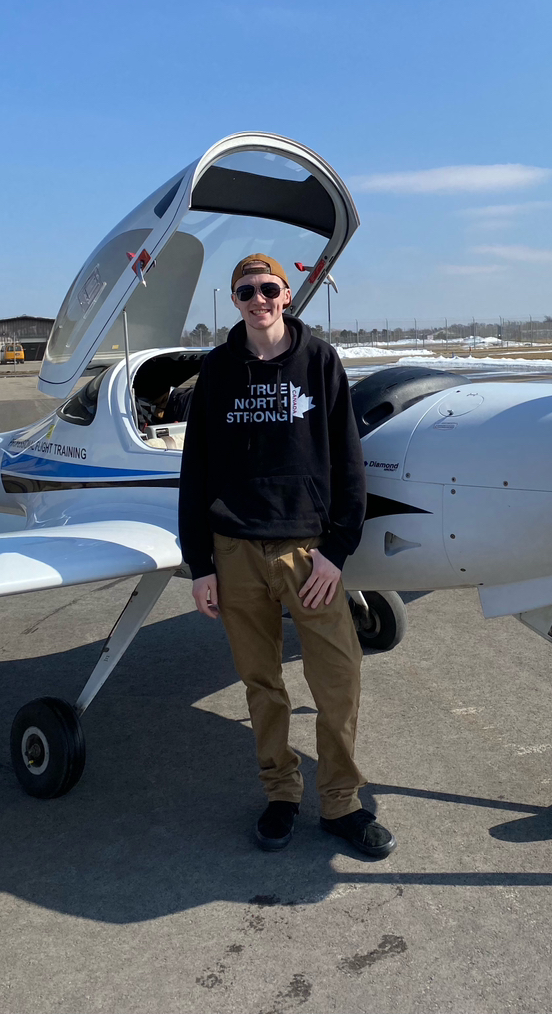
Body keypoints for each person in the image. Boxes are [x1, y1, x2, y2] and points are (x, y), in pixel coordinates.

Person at [178, 253, 395, 858]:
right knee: (261, 683)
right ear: (235, 300)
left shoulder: (320, 361)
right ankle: (280, 794)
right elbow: (196, 469)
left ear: (287, 294)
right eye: (246, 291)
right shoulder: (217, 369)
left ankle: (341, 803)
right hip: (236, 551)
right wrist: (201, 565)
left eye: (269, 289)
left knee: (338, 679)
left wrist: (336, 553)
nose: (259, 300)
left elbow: (348, 462)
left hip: (308, 554)